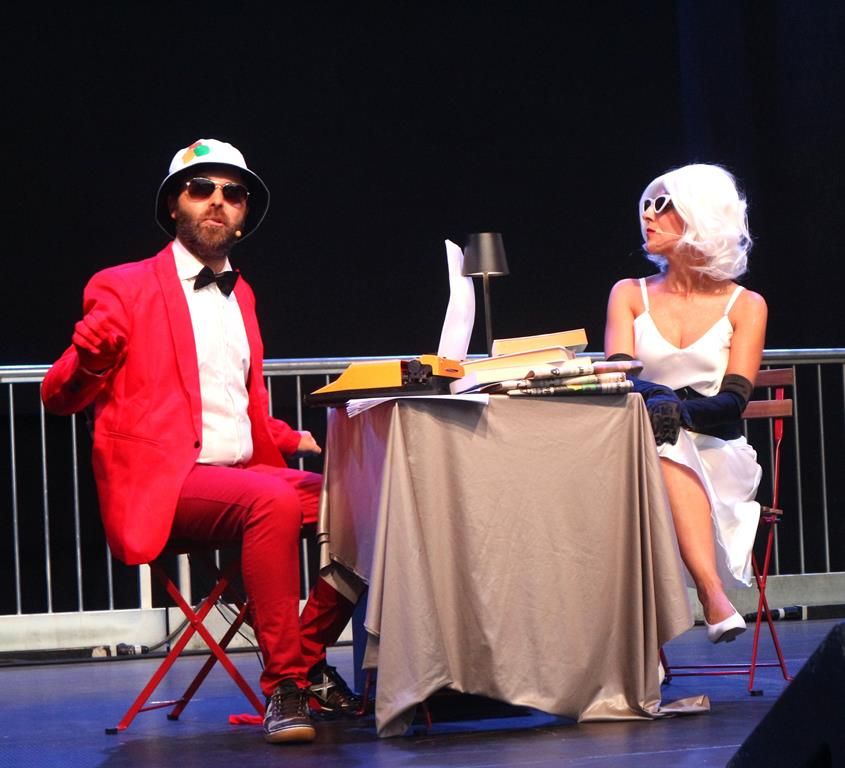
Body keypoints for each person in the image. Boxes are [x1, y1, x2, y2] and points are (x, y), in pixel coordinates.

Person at [42, 138, 360, 744]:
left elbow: (236, 408)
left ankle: (308, 657)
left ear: (244, 214)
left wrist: (298, 438)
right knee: (268, 503)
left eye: (232, 193)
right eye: (201, 189)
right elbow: (57, 396)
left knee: (364, 505)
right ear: (174, 205)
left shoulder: (243, 295)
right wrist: (90, 359)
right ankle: (285, 687)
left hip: (241, 474)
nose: (217, 201)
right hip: (164, 485)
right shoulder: (122, 286)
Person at [604, 163, 768, 644]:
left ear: (701, 214)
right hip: (641, 449)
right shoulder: (628, 295)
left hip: (717, 454)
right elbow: (619, 377)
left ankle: (685, 616)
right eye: (646, 206)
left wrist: (677, 412)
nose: (647, 216)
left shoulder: (745, 304)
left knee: (666, 445)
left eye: (663, 206)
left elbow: (734, 400)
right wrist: (657, 401)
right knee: (660, 447)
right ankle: (710, 597)